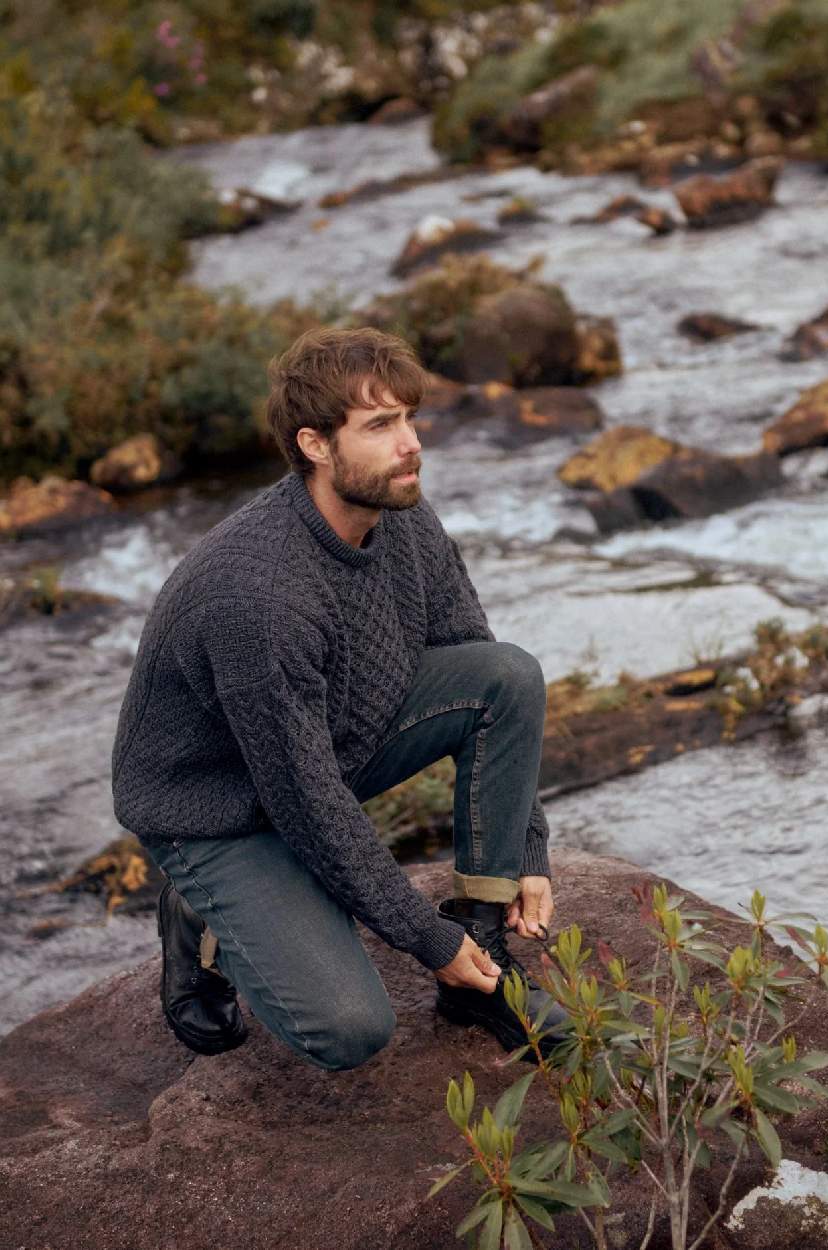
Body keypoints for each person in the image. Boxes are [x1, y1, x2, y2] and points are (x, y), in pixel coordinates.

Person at [111, 325, 570, 1070]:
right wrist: (427, 940)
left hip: (325, 746)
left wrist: (528, 851)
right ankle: (200, 912)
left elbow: (484, 672)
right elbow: (308, 804)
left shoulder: (402, 512)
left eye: (411, 418)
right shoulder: (258, 598)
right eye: (382, 426)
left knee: (508, 672)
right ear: (316, 445)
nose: (411, 444)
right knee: (349, 1028)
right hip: (219, 809)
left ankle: (481, 975)